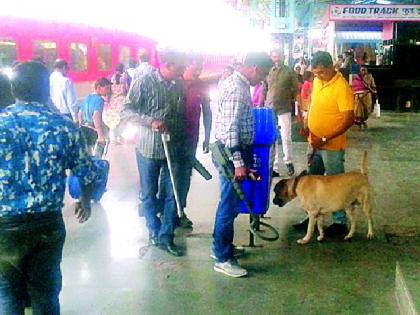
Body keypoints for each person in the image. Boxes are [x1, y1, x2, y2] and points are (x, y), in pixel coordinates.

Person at [0, 61, 95, 314]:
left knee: (8, 293)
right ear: (47, 90)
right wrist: (84, 201)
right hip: (47, 224)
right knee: (45, 293)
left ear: (13, 90)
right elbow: (86, 172)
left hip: (4, 226)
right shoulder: (64, 126)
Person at [212, 52, 272, 277]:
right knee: (228, 206)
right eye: (264, 74)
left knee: (228, 204)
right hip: (230, 155)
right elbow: (230, 131)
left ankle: (221, 247)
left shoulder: (236, 84)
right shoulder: (238, 90)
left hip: (230, 153)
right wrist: (238, 163)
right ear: (254, 68)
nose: (263, 79)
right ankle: (222, 258)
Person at [125, 49, 187, 257]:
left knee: (173, 193)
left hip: (173, 147)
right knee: (149, 192)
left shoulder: (178, 85)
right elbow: (127, 110)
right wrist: (151, 122)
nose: (182, 71)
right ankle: (153, 229)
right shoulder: (143, 82)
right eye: (180, 67)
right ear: (168, 65)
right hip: (148, 148)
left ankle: (166, 236)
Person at [293, 51, 355, 236]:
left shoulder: (342, 87)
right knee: (311, 180)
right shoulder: (318, 81)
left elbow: (348, 119)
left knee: (335, 183)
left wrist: (326, 138)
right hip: (314, 142)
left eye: (321, 72)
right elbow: (314, 105)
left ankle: (339, 222)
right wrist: (306, 125)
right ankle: (311, 216)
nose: (318, 76)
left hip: (332, 145)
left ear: (331, 67)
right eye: (315, 73)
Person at [176, 53, 212, 227]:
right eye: (195, 67)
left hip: (191, 139)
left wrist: (207, 135)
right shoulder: (173, 83)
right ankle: (167, 212)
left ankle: (180, 210)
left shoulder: (202, 86)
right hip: (172, 139)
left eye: (200, 68)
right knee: (168, 177)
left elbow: (207, 111)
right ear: (186, 65)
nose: (198, 71)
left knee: (184, 177)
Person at [263, 49, 301, 177]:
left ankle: (288, 161)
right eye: (274, 56)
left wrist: (298, 109)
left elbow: (296, 89)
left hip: (284, 108)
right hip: (269, 107)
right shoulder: (268, 71)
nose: (277, 59)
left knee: (286, 136)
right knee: (272, 137)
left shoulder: (289, 72)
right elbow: (264, 89)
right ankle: (274, 167)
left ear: (283, 57)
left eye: (279, 56)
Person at [78, 77, 111, 156]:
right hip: (94, 130)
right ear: (99, 88)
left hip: (85, 128)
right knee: (98, 155)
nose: (108, 91)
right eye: (107, 88)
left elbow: (80, 113)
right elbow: (96, 116)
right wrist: (100, 134)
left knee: (88, 154)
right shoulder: (99, 100)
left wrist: (80, 124)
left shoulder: (87, 97)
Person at [104, 64, 128, 144]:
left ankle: (113, 138)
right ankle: (120, 137)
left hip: (113, 102)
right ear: (122, 69)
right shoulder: (125, 77)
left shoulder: (110, 77)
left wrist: (107, 101)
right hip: (122, 102)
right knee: (121, 121)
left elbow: (108, 90)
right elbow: (126, 90)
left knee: (113, 120)